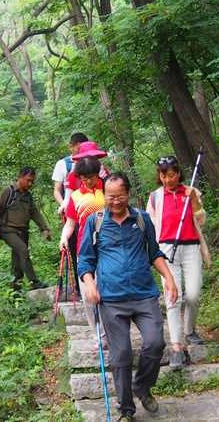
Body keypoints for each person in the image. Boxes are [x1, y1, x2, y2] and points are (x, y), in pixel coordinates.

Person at [78, 173, 178, 422]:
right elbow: (85, 260)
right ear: (105, 195)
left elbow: (154, 253)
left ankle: (142, 387)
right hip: (111, 299)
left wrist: (169, 278)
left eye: (119, 196)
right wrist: (90, 284)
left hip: (144, 294)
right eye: (110, 196)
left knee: (155, 343)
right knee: (120, 354)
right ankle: (126, 409)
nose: (115, 201)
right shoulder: (96, 222)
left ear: (128, 194)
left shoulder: (142, 219)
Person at [146, 156, 211, 370]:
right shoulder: (155, 197)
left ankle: (189, 329)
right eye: (163, 175)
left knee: (193, 294)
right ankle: (176, 347)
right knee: (173, 297)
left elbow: (201, 219)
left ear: (178, 174)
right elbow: (149, 225)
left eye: (171, 175)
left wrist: (194, 201)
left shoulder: (191, 192)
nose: (167, 179)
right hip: (165, 250)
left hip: (191, 247)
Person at [59, 157, 106, 336]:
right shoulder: (76, 197)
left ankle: (110, 331)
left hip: (107, 248)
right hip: (83, 249)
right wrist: (63, 238)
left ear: (97, 174)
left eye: (91, 177)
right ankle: (98, 335)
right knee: (88, 295)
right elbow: (70, 224)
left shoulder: (107, 190)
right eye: (84, 178)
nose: (87, 181)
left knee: (105, 292)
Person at [0, 167, 52, 291]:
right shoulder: (8, 191)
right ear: (20, 177)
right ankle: (34, 281)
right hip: (7, 230)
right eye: (28, 180)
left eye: (32, 181)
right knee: (23, 250)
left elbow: (34, 213)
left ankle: (15, 289)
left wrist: (44, 228)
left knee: (17, 259)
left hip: (23, 231)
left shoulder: (28, 196)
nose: (30, 184)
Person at [51, 133, 88, 279]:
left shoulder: (92, 163)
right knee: (73, 247)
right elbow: (57, 190)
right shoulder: (63, 164)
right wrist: (64, 205)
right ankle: (80, 285)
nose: (79, 152)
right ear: (70, 147)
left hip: (90, 210)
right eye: (77, 148)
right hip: (71, 211)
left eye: (82, 148)